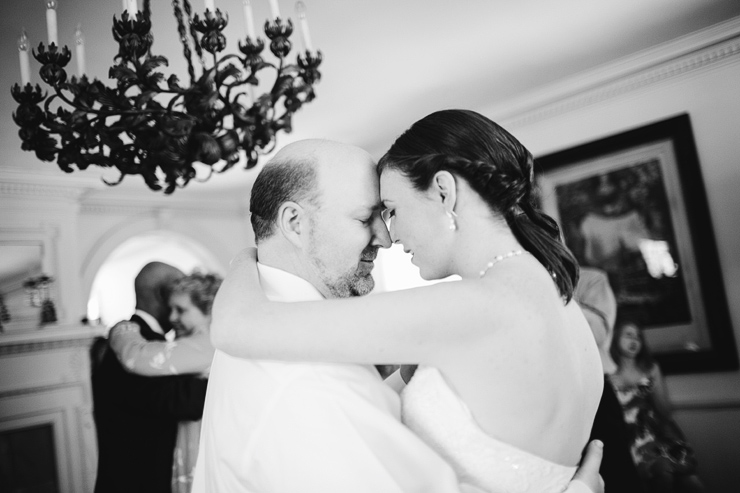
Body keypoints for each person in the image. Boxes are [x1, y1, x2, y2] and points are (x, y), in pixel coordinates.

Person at [209, 110, 604, 492]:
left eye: (392, 211)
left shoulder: (466, 308)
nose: (390, 237)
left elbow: (234, 326)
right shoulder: (561, 300)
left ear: (444, 191)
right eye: (373, 217)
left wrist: (245, 258)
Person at [91, 262, 209, 493]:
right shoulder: (135, 342)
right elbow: (181, 400)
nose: (176, 316)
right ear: (163, 294)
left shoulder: (142, 339)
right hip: (137, 482)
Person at [609, 319, 705, 493]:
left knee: (692, 482)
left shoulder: (650, 368)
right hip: (624, 440)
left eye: (638, 337)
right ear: (615, 338)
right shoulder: (607, 372)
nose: (635, 340)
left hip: (654, 434)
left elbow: (665, 411)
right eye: (628, 335)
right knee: (662, 477)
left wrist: (652, 387)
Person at [575, 267, 646, 493]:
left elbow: (597, 333)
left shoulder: (592, 280)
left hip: (593, 384)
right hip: (553, 390)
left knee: (615, 470)